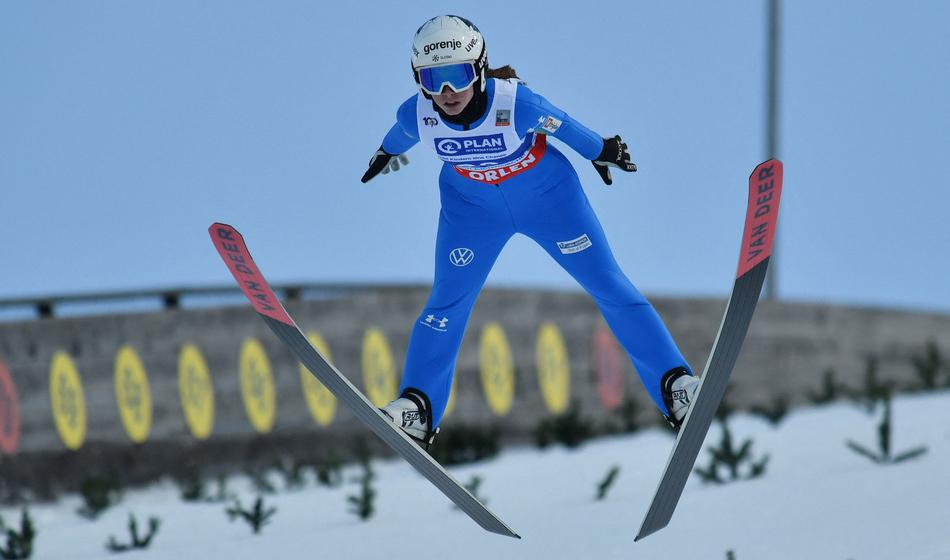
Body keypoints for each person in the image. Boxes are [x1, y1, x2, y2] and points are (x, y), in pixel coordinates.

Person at [362, 15, 698, 447]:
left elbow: (565, 125)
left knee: (608, 285)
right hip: (471, 211)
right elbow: (400, 133)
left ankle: (675, 387)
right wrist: (385, 152)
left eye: (457, 76)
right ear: (418, 79)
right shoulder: (418, 112)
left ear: (480, 68)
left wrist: (603, 151)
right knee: (446, 304)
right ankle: (418, 408)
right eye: (432, 79)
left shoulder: (517, 104)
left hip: (549, 201)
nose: (446, 93)